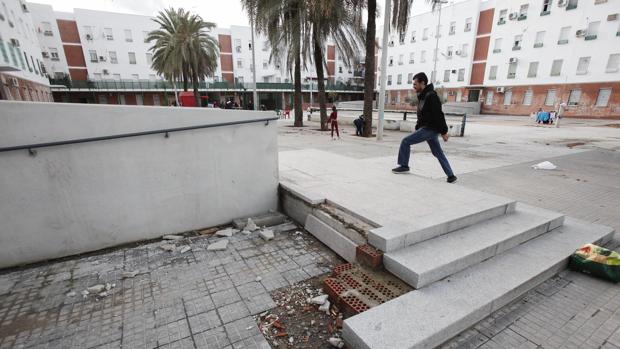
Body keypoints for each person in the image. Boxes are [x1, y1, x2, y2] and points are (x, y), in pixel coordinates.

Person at [392, 72, 457, 183]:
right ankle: (451, 176)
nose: (413, 86)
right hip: (427, 129)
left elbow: (438, 115)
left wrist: (444, 132)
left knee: (405, 141)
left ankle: (404, 166)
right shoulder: (423, 96)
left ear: (422, 83)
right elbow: (422, 114)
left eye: (415, 84)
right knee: (438, 153)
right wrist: (418, 126)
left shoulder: (431, 96)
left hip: (430, 129)